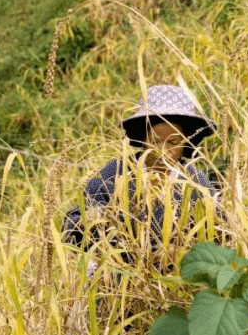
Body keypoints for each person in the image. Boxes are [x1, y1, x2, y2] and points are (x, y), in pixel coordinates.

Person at [62, 84, 222, 252]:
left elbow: (220, 236)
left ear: (185, 144)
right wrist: (89, 220)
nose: (163, 152)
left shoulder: (196, 183)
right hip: (120, 274)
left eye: (173, 143)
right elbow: (70, 228)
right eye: (155, 141)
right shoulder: (116, 172)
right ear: (143, 140)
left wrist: (185, 252)